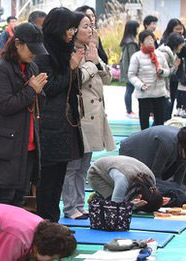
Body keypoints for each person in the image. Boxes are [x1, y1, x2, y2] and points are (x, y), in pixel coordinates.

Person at [0, 23, 48, 207]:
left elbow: (39, 102)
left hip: (29, 143)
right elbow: (5, 106)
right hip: (6, 144)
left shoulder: (30, 67)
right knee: (4, 197)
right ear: (17, 44)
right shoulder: (1, 69)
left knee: (20, 197)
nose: (34, 54)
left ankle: (13, 236)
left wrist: (39, 91)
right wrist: (31, 90)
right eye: (31, 49)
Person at [61, 12, 115, 220]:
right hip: (78, 116)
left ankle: (79, 204)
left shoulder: (91, 50)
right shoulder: (69, 53)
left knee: (84, 166)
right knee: (72, 166)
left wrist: (96, 62)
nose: (89, 30)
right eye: (85, 26)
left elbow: (108, 77)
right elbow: (75, 80)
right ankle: (69, 207)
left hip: (94, 117)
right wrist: (91, 64)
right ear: (73, 30)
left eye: (91, 26)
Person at [34, 8, 83, 223]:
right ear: (57, 28)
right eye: (69, 28)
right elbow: (50, 87)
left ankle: (52, 223)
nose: (72, 32)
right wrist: (71, 69)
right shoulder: (44, 54)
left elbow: (73, 85)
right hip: (49, 126)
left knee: (58, 179)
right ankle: (45, 224)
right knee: (48, 180)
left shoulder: (65, 51)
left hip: (65, 125)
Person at [119, 124, 186, 184]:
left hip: (149, 155)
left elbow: (179, 179)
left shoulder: (183, 147)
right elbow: (154, 176)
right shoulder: (167, 144)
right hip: (132, 152)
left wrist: (177, 192)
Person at [88, 156, 165, 213]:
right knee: (112, 203)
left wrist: (158, 201)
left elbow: (154, 197)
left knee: (123, 199)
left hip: (118, 169)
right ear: (139, 196)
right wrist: (131, 206)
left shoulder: (151, 180)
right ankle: (98, 198)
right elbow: (114, 208)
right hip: (97, 173)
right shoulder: (122, 182)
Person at [128, 30, 170, 130]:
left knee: (160, 120)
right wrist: (140, 85)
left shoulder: (159, 55)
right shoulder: (136, 56)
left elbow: (168, 70)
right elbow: (131, 75)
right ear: (141, 42)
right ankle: (145, 139)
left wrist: (162, 71)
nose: (151, 42)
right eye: (148, 40)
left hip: (159, 92)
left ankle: (158, 137)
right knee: (144, 120)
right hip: (144, 93)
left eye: (152, 39)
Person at [159, 19, 186, 120]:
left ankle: (167, 120)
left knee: (171, 102)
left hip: (174, 76)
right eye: (176, 29)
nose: (179, 31)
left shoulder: (181, 41)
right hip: (165, 81)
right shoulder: (165, 51)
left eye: (181, 29)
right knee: (164, 109)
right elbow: (163, 71)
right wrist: (174, 66)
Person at [119, 20, 140, 119]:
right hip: (130, 70)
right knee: (129, 90)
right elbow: (133, 57)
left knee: (129, 90)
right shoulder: (131, 42)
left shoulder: (126, 40)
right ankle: (129, 111)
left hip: (126, 69)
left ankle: (129, 110)